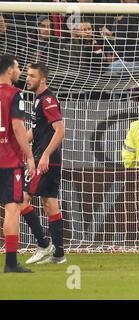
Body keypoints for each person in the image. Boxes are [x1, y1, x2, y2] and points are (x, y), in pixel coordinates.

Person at [21, 62, 66, 265]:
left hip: (44, 159)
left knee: (20, 199)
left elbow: (60, 130)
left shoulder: (47, 100)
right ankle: (58, 255)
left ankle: (43, 245)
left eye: (31, 76)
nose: (27, 79)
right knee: (49, 203)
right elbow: (35, 131)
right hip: (45, 158)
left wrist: (46, 155)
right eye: (27, 75)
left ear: (42, 79)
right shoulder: (38, 99)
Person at [0, 54, 36, 272]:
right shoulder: (15, 94)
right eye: (18, 67)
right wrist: (29, 156)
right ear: (9, 70)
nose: (20, 71)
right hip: (9, 160)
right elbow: (17, 127)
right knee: (12, 209)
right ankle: (11, 263)